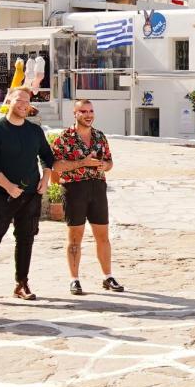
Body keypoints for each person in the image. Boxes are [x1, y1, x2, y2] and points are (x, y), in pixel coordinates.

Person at [0, 87, 54, 304]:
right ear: (9, 100)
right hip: (0, 194)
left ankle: (22, 283)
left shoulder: (35, 131)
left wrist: (45, 180)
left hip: (30, 195)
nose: (23, 104)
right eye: (19, 100)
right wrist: (8, 186)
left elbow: (47, 156)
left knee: (26, 239)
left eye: (27, 101)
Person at [51, 99, 124, 295]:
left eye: (90, 111)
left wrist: (104, 166)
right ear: (75, 114)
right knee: (75, 237)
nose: (88, 114)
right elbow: (56, 167)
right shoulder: (64, 138)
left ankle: (108, 276)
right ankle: (74, 279)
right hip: (74, 189)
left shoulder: (100, 136)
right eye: (83, 111)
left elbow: (109, 162)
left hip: (98, 188)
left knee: (103, 236)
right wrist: (82, 162)